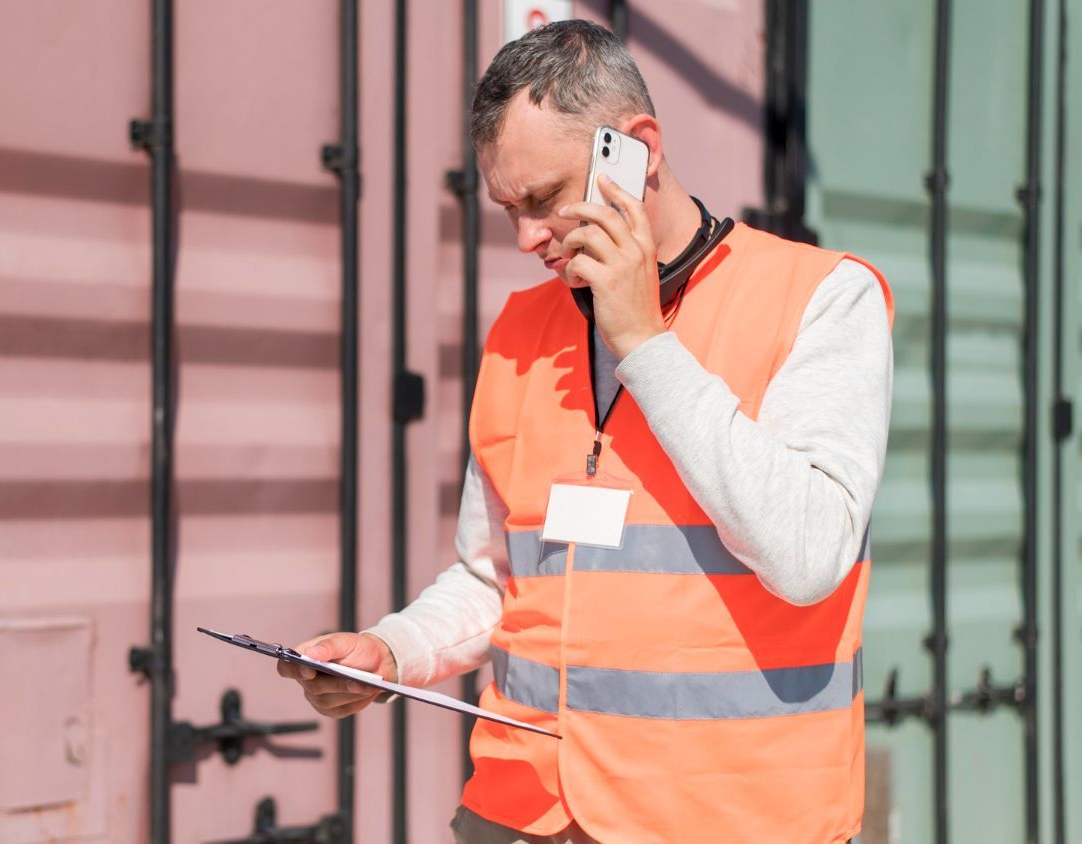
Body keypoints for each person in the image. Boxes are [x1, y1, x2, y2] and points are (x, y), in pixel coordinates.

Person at [277, 19, 892, 843]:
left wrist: (645, 344)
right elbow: (497, 575)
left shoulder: (822, 299)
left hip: (730, 821)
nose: (527, 238)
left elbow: (810, 555)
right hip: (519, 811)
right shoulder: (520, 330)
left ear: (634, 149)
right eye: (508, 208)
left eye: (543, 199)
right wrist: (391, 653)